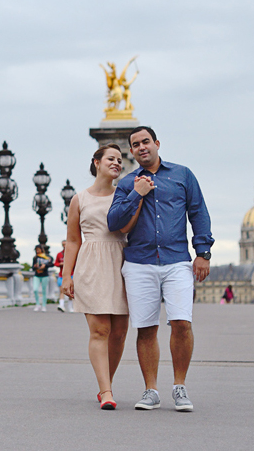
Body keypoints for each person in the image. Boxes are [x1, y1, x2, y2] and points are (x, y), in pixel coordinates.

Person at [107, 126, 213, 412]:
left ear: (156, 143)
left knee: (182, 323)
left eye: (146, 142)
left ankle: (180, 387)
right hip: (139, 263)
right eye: (135, 144)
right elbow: (113, 221)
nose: (141, 147)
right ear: (131, 151)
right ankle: (151, 390)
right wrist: (137, 194)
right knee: (146, 328)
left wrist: (203, 252)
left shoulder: (182, 175)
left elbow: (198, 212)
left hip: (177, 260)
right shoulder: (128, 182)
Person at [61, 144, 140, 410]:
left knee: (119, 332)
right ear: (96, 162)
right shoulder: (79, 199)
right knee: (100, 330)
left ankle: (106, 384)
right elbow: (73, 241)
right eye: (111, 158)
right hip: (91, 264)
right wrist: (66, 277)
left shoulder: (125, 194)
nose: (117, 163)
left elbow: (130, 227)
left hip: (121, 261)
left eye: (120, 160)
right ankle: (106, 391)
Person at [32, 245, 54, 312]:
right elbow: (32, 268)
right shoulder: (35, 257)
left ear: (42, 249)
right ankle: (37, 304)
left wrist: (45, 265)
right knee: (35, 289)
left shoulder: (47, 257)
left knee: (44, 291)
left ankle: (44, 305)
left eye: (38, 249)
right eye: (36, 250)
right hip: (37, 275)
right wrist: (35, 266)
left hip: (45, 275)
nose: (37, 251)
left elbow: (52, 264)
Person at [55, 241, 67, 312]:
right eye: (63, 245)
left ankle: (70, 306)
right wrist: (60, 264)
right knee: (61, 290)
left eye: (65, 244)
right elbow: (55, 263)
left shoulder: (72, 253)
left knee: (70, 291)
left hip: (71, 274)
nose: (64, 246)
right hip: (61, 275)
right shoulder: (59, 254)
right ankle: (61, 305)